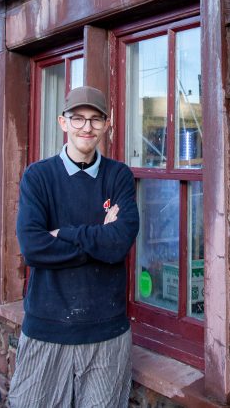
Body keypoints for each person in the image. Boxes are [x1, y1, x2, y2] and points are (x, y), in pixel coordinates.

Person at [9, 86, 140, 408]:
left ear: (107, 125)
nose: (87, 127)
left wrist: (62, 233)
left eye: (96, 119)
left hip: (107, 330)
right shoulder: (38, 177)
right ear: (62, 122)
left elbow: (119, 245)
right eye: (78, 118)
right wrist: (99, 238)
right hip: (47, 327)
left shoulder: (119, 176)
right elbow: (33, 248)